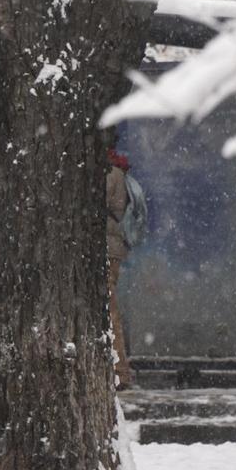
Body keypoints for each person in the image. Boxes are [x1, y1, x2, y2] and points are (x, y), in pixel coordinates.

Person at [105, 148, 135, 391]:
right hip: (113, 250)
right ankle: (118, 370)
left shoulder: (110, 174)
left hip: (108, 250)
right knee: (109, 309)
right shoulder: (118, 173)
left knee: (110, 310)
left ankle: (120, 372)